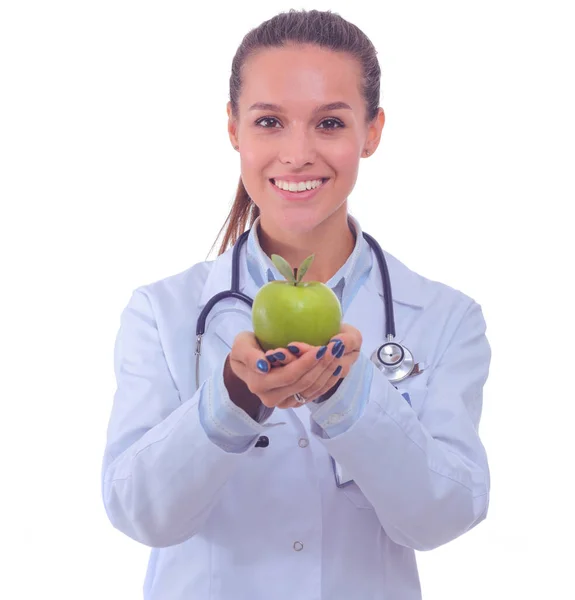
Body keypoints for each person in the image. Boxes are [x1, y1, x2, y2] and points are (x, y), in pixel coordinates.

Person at [101, 8, 491, 600]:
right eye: (269, 122)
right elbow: (140, 514)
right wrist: (233, 398)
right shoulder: (163, 312)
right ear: (234, 128)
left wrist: (348, 397)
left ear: (373, 131)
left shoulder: (444, 318)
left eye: (330, 123)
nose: (298, 153)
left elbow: (442, 518)